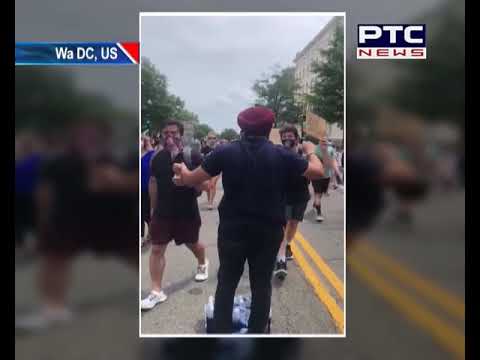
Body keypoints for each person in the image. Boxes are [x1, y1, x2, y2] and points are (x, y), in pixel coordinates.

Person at [172, 106, 324, 333]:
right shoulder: (282, 155)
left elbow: (191, 179)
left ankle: (222, 334)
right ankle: (256, 335)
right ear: (269, 128)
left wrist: (181, 172)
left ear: (241, 127)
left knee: (227, 282)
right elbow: (318, 172)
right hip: (269, 230)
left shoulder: (225, 152)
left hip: (233, 229)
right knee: (261, 285)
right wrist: (311, 151)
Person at [15, 120, 139, 331]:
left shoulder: (114, 159)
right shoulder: (57, 162)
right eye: (82, 135)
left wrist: (118, 181)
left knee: (131, 254)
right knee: (54, 259)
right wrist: (42, 222)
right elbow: (44, 193)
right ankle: (53, 309)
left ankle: (148, 285)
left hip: (108, 220)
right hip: (66, 219)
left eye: (92, 136)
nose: (86, 140)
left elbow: (131, 183)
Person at [141, 120, 210, 311]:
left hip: (186, 211)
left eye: (173, 132)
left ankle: (203, 262)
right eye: (165, 133)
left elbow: (206, 185)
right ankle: (156, 291)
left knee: (192, 243)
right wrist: (153, 211)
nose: (169, 136)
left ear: (181, 134)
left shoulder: (191, 155)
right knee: (157, 249)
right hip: (163, 212)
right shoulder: (157, 157)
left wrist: (187, 178)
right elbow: (153, 183)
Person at [273, 125, 311, 280]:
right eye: (284, 136)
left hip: (301, 195)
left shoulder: (303, 154)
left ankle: (287, 245)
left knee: (294, 224)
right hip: (283, 196)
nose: (287, 138)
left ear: (296, 138)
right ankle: (280, 260)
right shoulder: (278, 153)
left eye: (290, 136)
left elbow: (316, 171)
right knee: (283, 226)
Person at [312, 138, 337, 222]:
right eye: (321, 140)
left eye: (325, 140)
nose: (323, 141)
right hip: (316, 176)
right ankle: (319, 214)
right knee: (317, 194)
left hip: (326, 176)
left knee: (320, 194)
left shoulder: (330, 149)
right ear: (319, 141)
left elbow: (332, 163)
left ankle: (316, 204)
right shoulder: (314, 149)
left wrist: (334, 180)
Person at [141, 135, 155, 247]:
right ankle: (141, 237)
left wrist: (146, 140)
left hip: (146, 189)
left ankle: (151, 234)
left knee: (146, 214)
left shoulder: (151, 154)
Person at [201, 131, 220, 210]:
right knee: (208, 186)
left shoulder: (219, 148)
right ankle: (209, 200)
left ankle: (210, 202)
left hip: (217, 169)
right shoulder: (204, 149)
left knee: (212, 184)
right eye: (210, 138)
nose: (212, 140)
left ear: (216, 139)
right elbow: (201, 159)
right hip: (207, 169)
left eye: (213, 138)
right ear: (207, 139)